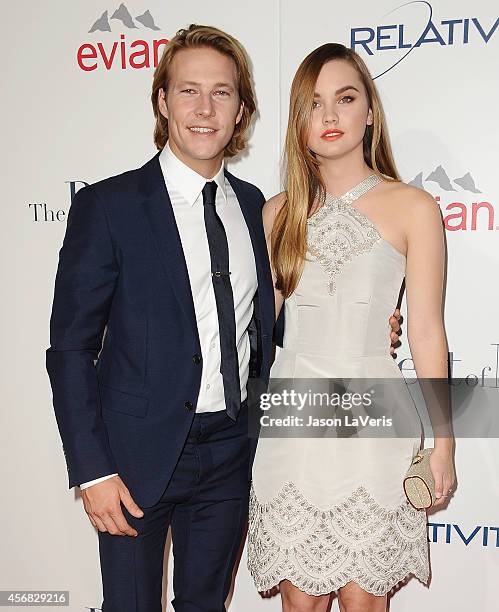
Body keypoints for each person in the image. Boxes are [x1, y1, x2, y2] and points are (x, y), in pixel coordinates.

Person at [46, 26, 402, 611]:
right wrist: (92, 470)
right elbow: (69, 350)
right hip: (135, 458)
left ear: (242, 109)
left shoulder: (259, 208)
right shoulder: (109, 206)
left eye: (222, 92)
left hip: (233, 454)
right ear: (163, 102)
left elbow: (270, 322)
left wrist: (364, 327)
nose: (205, 109)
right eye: (189, 91)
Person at [247, 43, 456, 612]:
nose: (331, 116)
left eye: (345, 98)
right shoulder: (276, 214)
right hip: (293, 416)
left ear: (370, 112)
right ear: (299, 121)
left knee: (366, 601)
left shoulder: (413, 208)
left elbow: (427, 333)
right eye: (315, 104)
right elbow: (254, 330)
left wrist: (444, 442)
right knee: (301, 604)